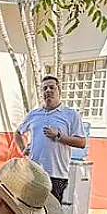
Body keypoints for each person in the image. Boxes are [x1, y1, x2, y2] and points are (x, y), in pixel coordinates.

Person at [15, 76, 86, 204]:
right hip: (34, 174)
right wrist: (23, 148)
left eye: (52, 87)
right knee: (31, 211)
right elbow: (18, 132)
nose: (48, 90)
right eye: (45, 88)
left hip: (57, 175)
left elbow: (81, 142)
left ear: (59, 90)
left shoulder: (70, 114)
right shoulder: (34, 114)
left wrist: (58, 136)